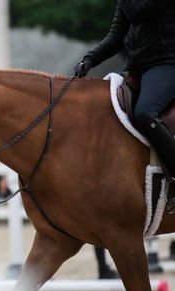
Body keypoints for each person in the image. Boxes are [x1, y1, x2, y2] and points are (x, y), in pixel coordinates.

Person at [74, 1, 175, 210]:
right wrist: (90, 59)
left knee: (145, 113)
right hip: (137, 68)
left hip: (168, 63)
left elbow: (140, 11)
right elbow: (116, 36)